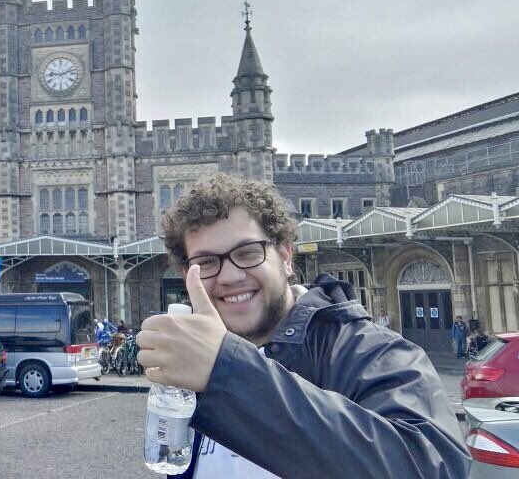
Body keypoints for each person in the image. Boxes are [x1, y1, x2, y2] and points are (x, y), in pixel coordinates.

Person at [136, 174, 468, 478]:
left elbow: (430, 467)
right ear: (186, 275)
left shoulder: (371, 351)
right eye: (207, 262)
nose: (230, 276)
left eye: (248, 252)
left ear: (285, 255)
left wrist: (227, 370)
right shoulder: (192, 369)